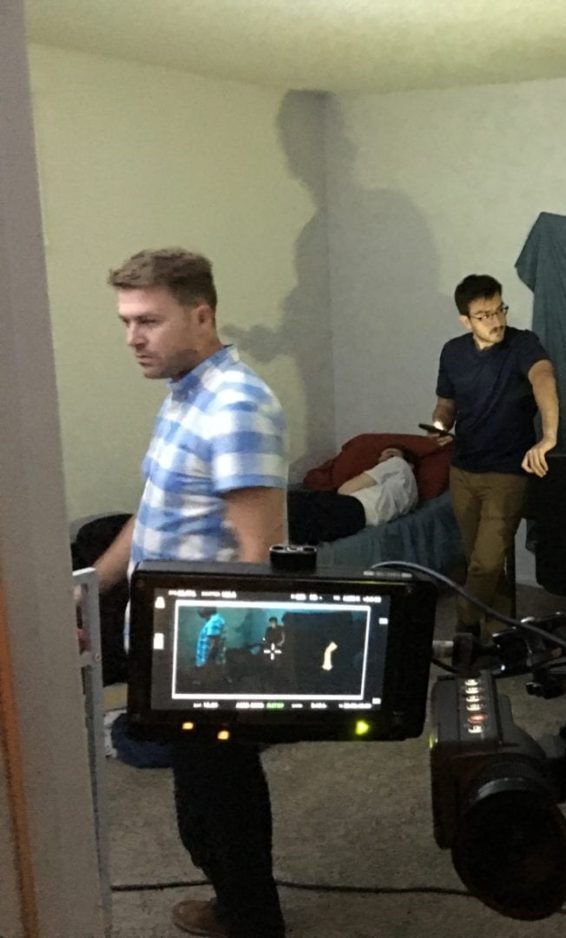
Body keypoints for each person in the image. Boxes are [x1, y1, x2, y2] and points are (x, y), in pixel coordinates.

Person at [90, 248, 288, 937]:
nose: (132, 338)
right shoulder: (186, 395)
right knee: (199, 799)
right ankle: (236, 902)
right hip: (170, 648)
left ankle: (252, 918)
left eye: (147, 320)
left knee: (221, 800)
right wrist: (89, 586)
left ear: (201, 316)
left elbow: (260, 553)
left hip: (210, 656)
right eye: (126, 321)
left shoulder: (235, 406)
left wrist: (235, 675)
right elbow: (154, 511)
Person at [429, 274, 559, 634]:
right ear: (466, 320)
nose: (497, 320)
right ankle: (495, 636)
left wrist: (549, 436)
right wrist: (439, 425)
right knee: (482, 563)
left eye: (500, 310)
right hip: (463, 470)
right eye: (485, 315)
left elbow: (544, 378)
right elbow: (445, 405)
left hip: (507, 472)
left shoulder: (523, 344)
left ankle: (464, 630)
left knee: (484, 564)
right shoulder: (453, 352)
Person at [286, 445, 419, 544]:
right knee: (306, 525)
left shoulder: (398, 463)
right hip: (359, 521)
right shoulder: (413, 497)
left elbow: (345, 490)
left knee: (291, 503)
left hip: (353, 506)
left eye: (389, 455)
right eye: (381, 457)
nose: (381, 460)